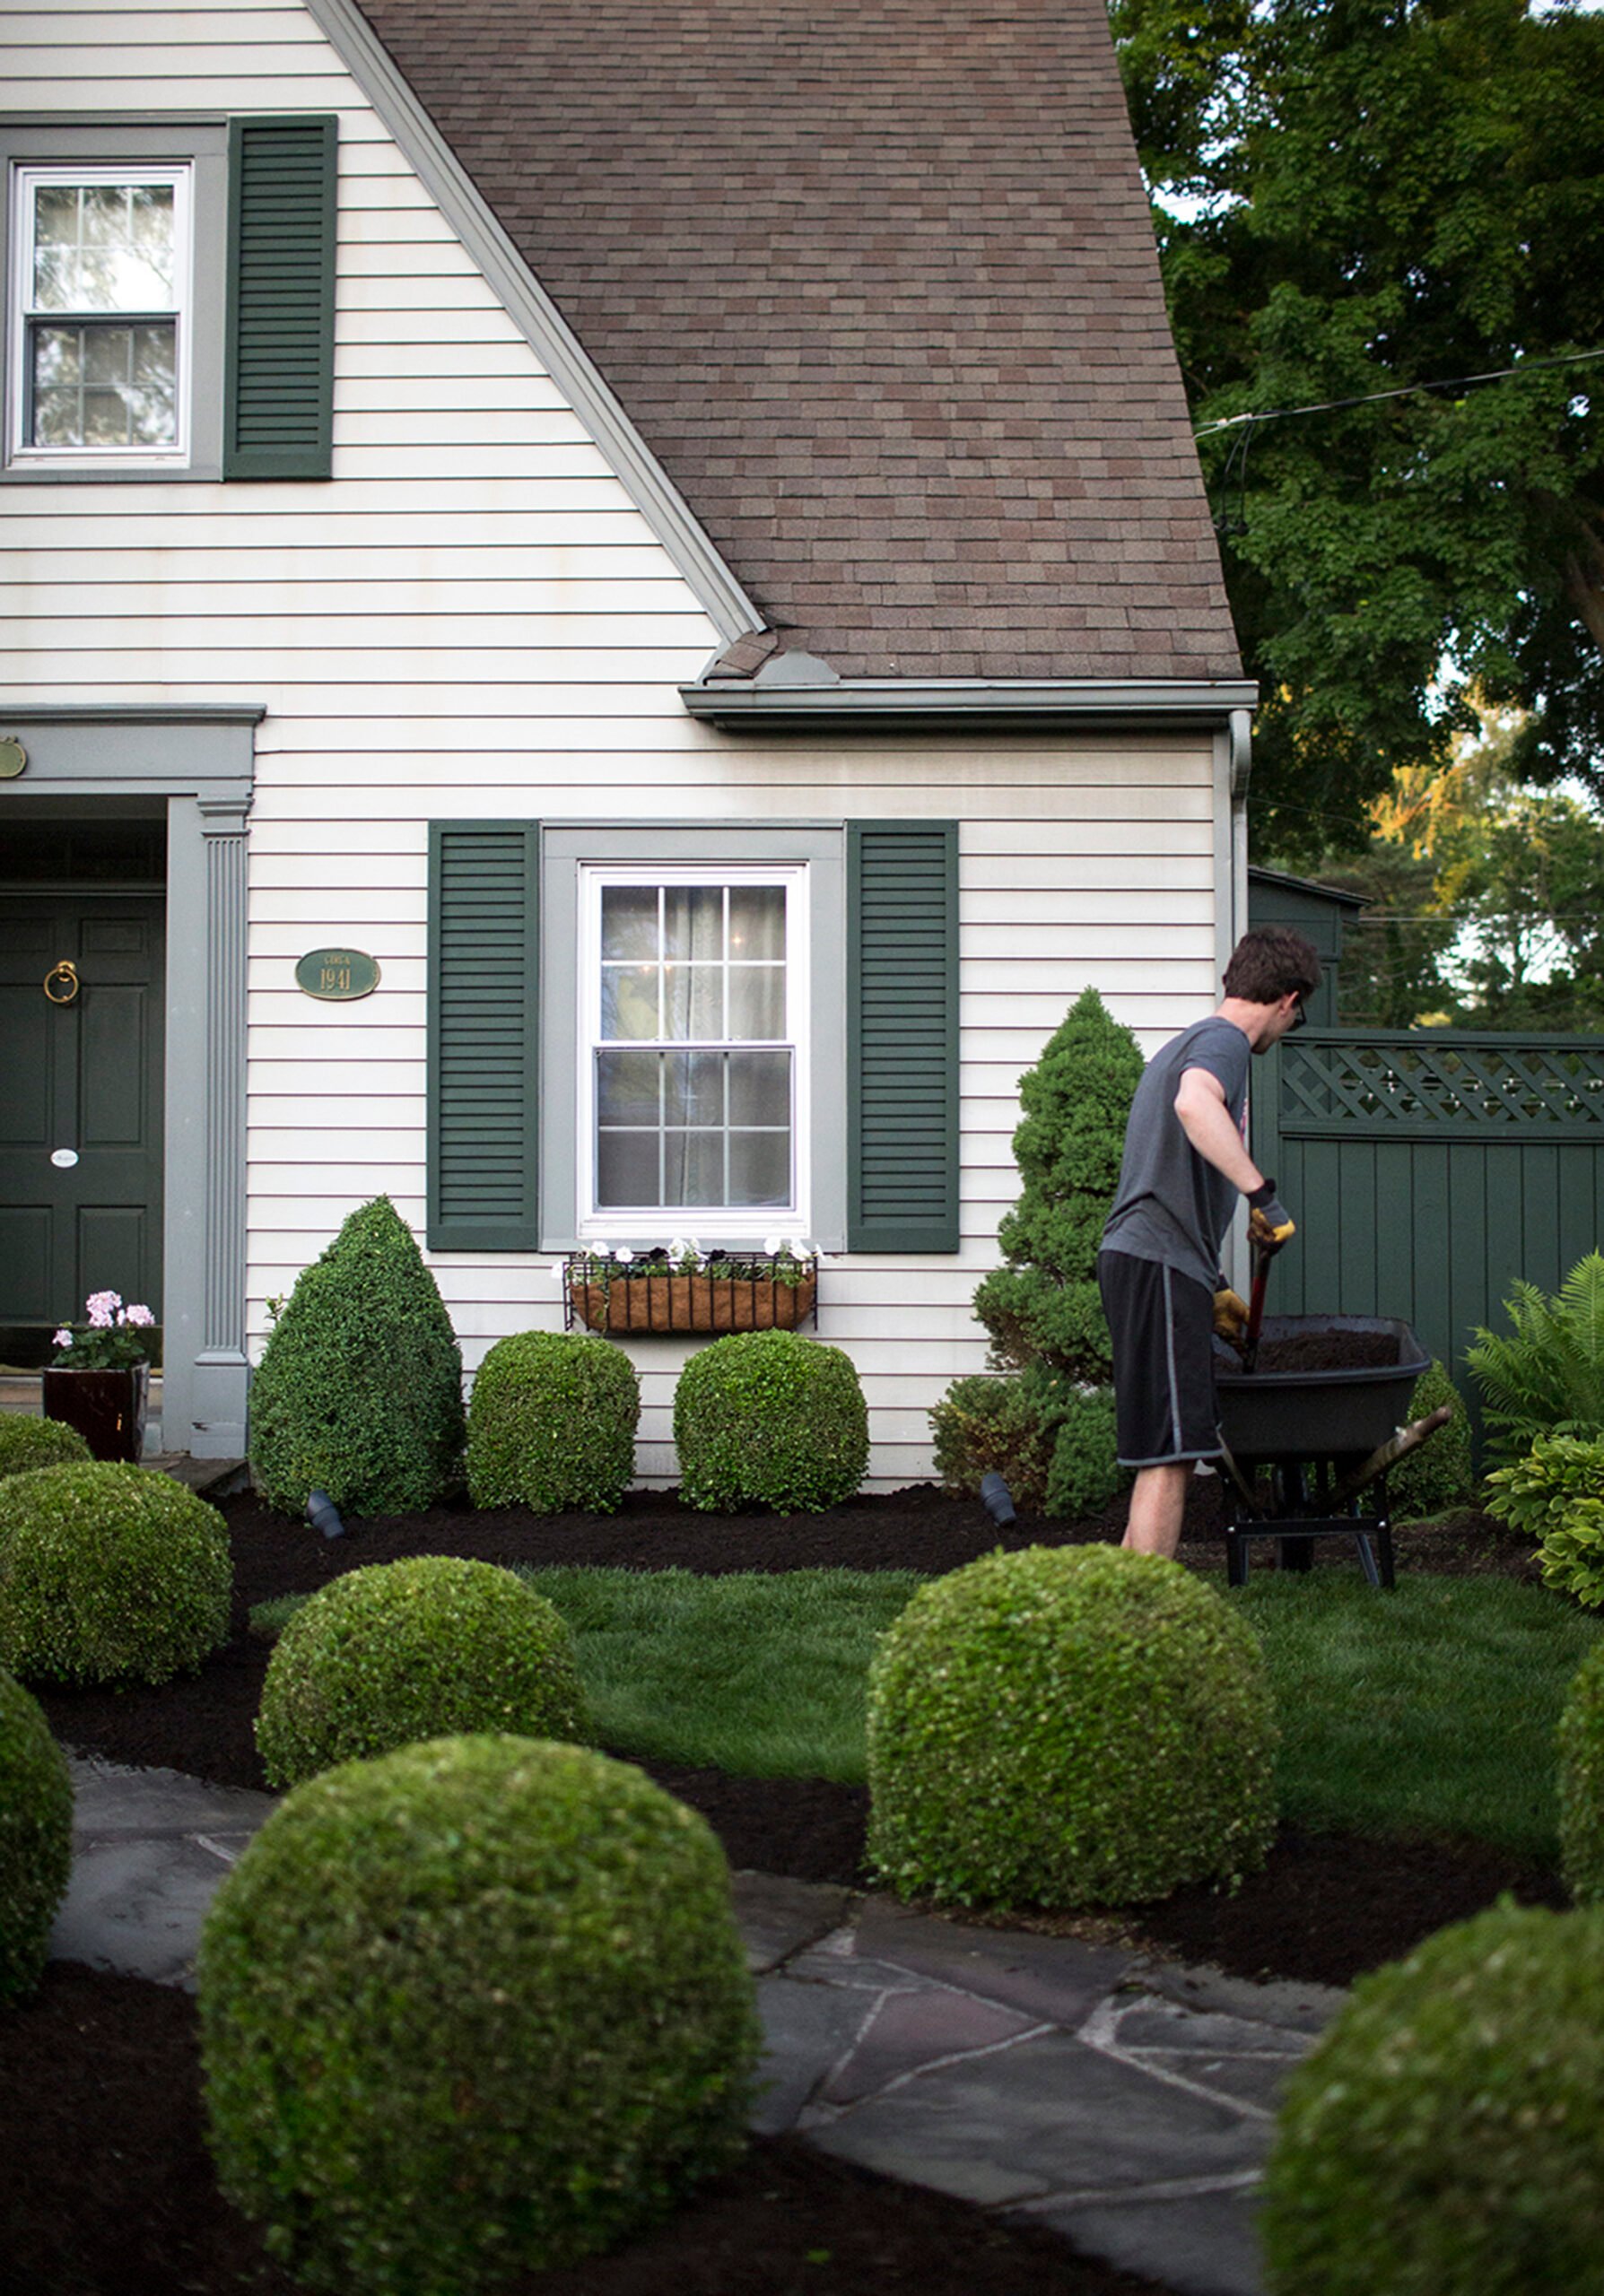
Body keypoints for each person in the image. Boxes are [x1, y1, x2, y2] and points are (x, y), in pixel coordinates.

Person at [1097, 926, 1322, 1559]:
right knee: (1173, 1454)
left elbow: (1166, 1174)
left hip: (1154, 1261)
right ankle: (1149, 1618)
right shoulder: (1223, 1043)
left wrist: (1215, 1287)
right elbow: (1196, 1109)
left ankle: (1114, 1603)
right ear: (1288, 999)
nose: (1289, 1028)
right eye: (1297, 1017)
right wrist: (1262, 1196)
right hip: (1155, 1263)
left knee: (1160, 1450)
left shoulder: (1187, 1044)